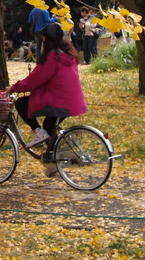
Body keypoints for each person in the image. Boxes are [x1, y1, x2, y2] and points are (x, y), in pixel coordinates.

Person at [5, 23, 87, 175]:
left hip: (59, 101)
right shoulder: (68, 54)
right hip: (71, 100)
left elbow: (34, 80)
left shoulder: (52, 58)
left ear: (47, 39)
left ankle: (38, 132)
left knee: (22, 103)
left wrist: (14, 88)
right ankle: (53, 163)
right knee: (49, 127)